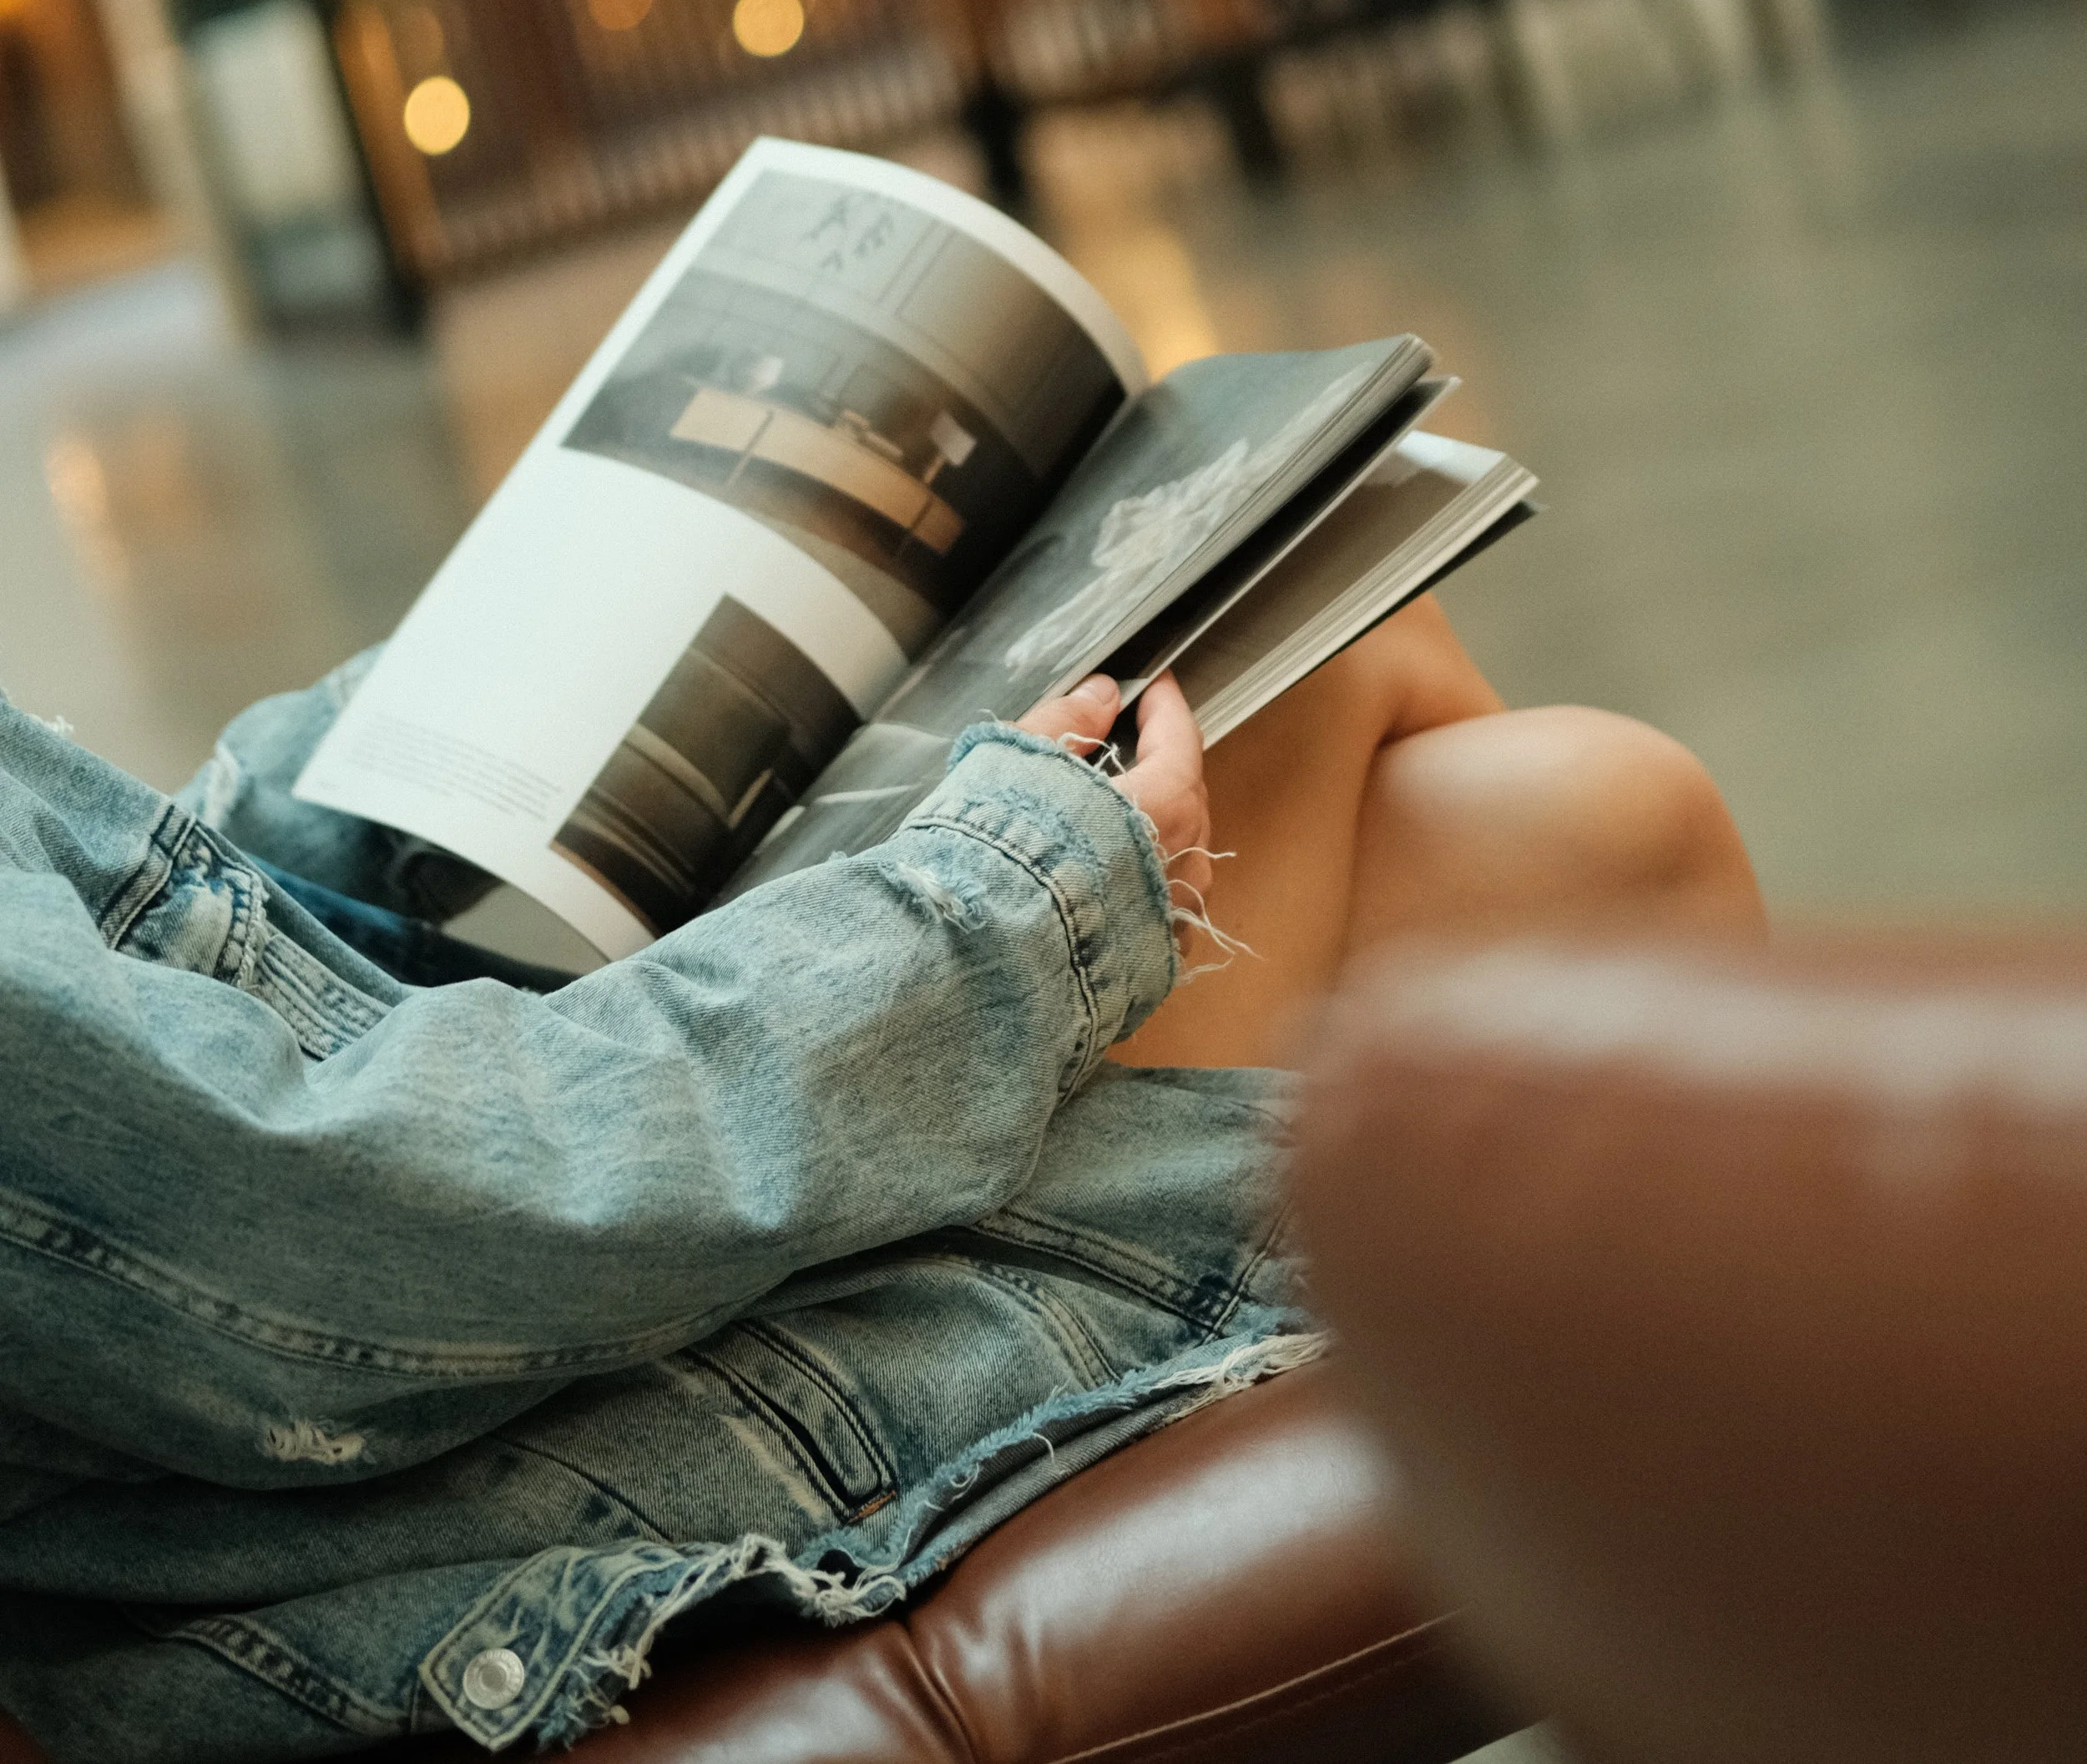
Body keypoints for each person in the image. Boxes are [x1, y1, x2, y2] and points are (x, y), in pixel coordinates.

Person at [0, 598, 1759, 1761]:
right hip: (350, 1515)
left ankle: (1740, 1613)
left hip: (400, 1287)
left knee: (1575, 824)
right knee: (1386, 690)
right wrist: (1005, 898)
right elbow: (329, 1246)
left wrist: (477, 679)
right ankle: (1761, 1598)